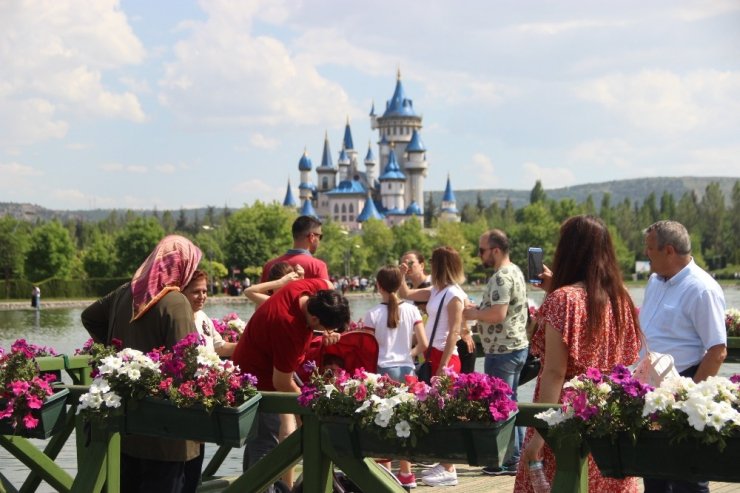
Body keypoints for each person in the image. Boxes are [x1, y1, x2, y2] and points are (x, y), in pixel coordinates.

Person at [514, 215, 641, 493]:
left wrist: (538, 437)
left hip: (566, 420)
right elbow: (627, 356)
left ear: (568, 251)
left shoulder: (563, 300)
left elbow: (555, 371)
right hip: (608, 415)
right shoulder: (622, 298)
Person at [81, 235, 203, 493]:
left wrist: (117, 352)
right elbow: (188, 362)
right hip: (168, 433)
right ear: (183, 264)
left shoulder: (125, 292)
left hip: (126, 425)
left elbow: (89, 317)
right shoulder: (175, 301)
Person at [231, 278, 350, 482]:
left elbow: (328, 284)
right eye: (324, 327)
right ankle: (260, 487)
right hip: (258, 377)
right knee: (266, 441)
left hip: (271, 362)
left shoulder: (308, 290)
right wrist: (308, 410)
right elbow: (281, 382)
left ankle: (253, 484)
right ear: (313, 320)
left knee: (269, 436)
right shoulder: (288, 326)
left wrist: (330, 330)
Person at [640, 220, 726, 493]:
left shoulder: (702, 288)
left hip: (684, 383)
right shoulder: (655, 280)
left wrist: (687, 398)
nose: (646, 254)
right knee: (654, 474)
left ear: (668, 251)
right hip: (650, 386)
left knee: (687, 477)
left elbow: (717, 351)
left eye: (650, 248)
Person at [399, 246, 467, 487]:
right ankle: (445, 463)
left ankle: (449, 468)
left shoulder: (453, 295)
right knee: (436, 411)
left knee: (444, 412)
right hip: (434, 355)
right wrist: (401, 273)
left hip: (445, 358)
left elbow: (454, 333)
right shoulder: (438, 290)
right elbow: (406, 292)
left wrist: (443, 367)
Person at [463, 229, 528, 476]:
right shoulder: (516, 271)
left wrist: (473, 314)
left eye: (482, 250)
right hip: (515, 346)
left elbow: (498, 314)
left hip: (502, 350)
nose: (480, 255)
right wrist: (480, 308)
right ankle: (515, 457)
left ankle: (508, 460)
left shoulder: (501, 277)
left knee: (501, 404)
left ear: (496, 250)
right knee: (510, 402)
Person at [361, 265, 429, 489]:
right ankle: (407, 473)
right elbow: (424, 344)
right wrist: (407, 355)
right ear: (400, 284)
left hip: (382, 373)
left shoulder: (371, 315)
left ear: (378, 285)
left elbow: (368, 349)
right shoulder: (411, 310)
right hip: (407, 371)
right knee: (405, 421)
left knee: (383, 421)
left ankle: (385, 473)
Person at [182, 270, 237, 357]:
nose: (202, 296)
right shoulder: (179, 320)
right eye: (196, 292)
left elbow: (219, 347)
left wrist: (249, 346)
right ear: (182, 292)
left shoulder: (202, 316)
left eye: (204, 292)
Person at [260, 216, 329, 282]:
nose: (320, 241)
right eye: (320, 236)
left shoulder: (269, 266)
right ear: (312, 237)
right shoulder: (318, 267)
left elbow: (259, 293)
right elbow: (327, 294)